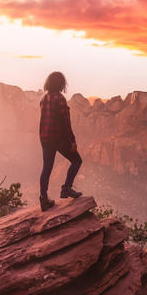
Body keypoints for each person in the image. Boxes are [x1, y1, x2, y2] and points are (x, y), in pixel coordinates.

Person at [39, 71, 82, 211]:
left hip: (45, 138)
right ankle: (66, 188)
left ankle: (43, 198)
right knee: (77, 160)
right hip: (58, 138)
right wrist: (72, 141)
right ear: (61, 83)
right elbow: (65, 123)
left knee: (47, 168)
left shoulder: (44, 98)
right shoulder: (60, 99)